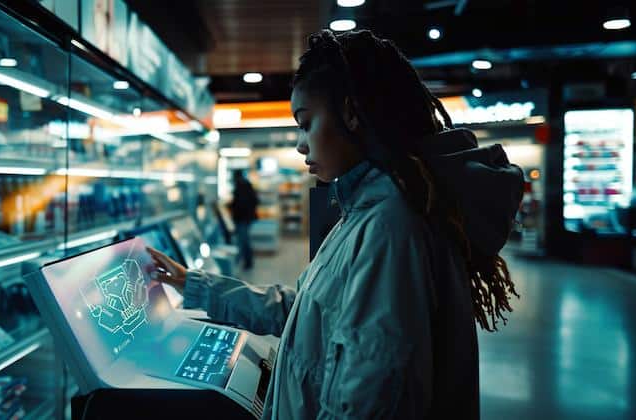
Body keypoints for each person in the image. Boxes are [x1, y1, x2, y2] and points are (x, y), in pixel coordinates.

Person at [148, 29, 524, 419]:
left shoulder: (389, 227)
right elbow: (305, 312)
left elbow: (372, 400)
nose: (300, 144)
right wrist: (195, 285)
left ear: (350, 113)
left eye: (306, 123)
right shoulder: (369, 212)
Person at [229, 169, 259, 270]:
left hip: (242, 218)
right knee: (245, 239)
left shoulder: (239, 186)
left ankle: (241, 262)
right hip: (247, 217)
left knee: (243, 240)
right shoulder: (247, 184)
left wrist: (231, 207)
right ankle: (247, 261)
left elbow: (239, 204)